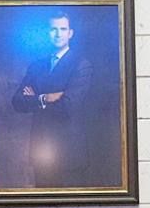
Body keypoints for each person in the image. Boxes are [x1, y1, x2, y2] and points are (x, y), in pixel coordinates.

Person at [11, 11, 93, 188]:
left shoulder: (81, 65)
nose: (58, 34)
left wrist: (34, 99)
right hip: (41, 152)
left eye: (63, 29)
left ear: (70, 33)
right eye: (53, 29)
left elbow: (67, 108)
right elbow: (17, 102)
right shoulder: (37, 66)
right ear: (47, 33)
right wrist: (45, 97)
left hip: (69, 155)